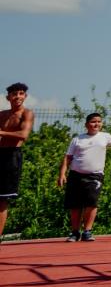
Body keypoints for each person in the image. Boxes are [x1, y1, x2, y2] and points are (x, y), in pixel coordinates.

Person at [58, 112, 111, 241]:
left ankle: (87, 231)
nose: (96, 124)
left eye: (99, 121)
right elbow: (67, 157)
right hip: (75, 175)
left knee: (91, 202)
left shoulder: (104, 136)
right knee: (75, 205)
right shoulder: (77, 139)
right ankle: (75, 232)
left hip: (94, 176)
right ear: (86, 124)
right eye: (93, 122)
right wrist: (62, 174)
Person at [0, 83, 34, 243]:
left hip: (11, 156)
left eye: (21, 93)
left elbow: (23, 135)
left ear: (25, 96)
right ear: (8, 97)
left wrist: (1, 132)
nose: (18, 97)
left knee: (2, 199)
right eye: (14, 94)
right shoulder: (2, 114)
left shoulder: (27, 114)